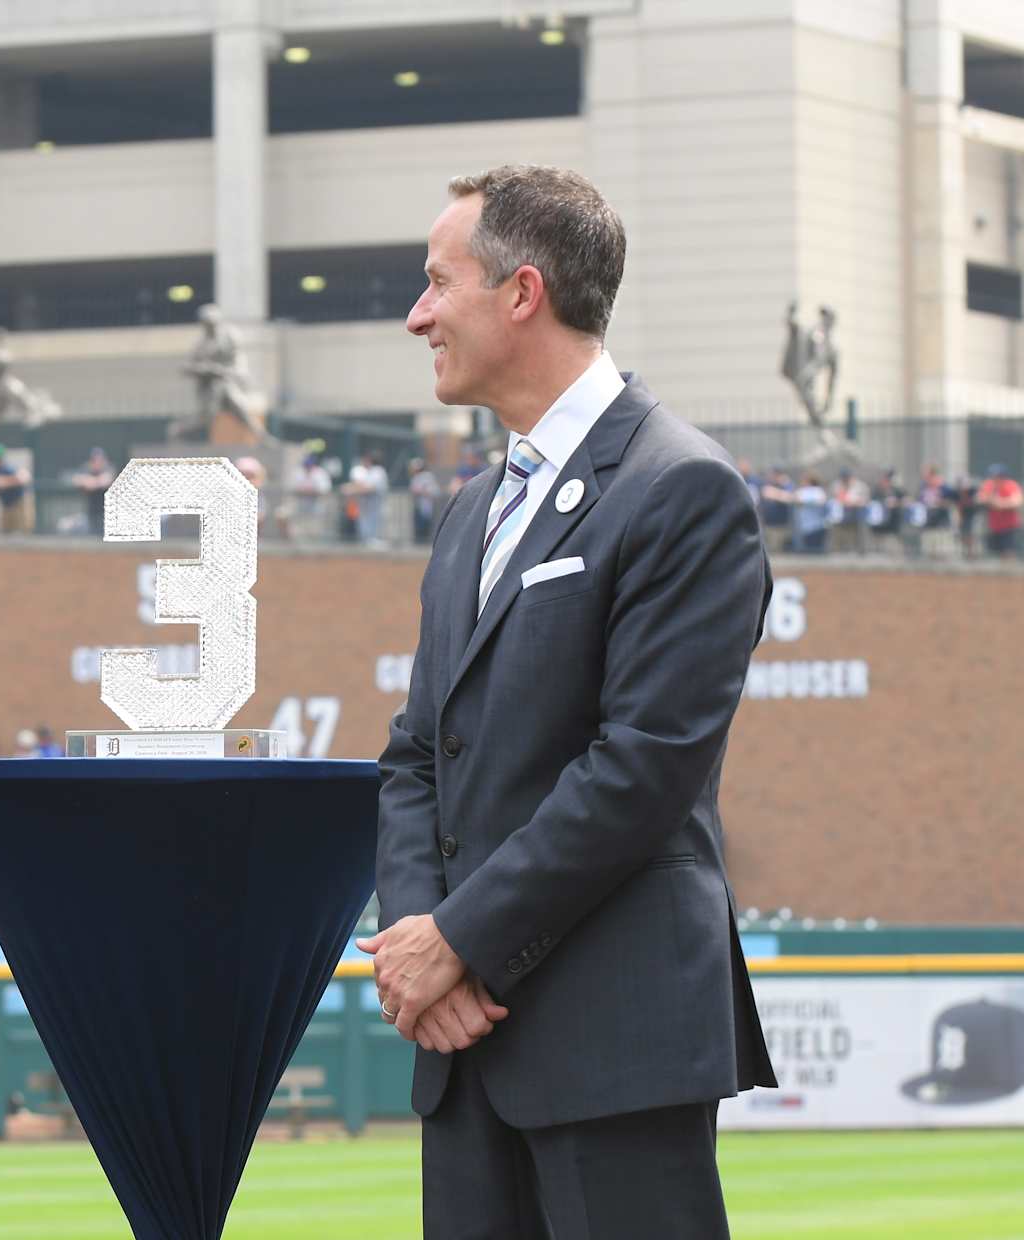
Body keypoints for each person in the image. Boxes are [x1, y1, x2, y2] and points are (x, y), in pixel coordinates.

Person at [357, 164, 774, 1239]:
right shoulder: (467, 515)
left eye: (438, 282)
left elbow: (642, 768)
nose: (419, 316)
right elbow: (415, 757)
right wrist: (419, 948)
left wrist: (459, 939)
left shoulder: (682, 487)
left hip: (614, 1046)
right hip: (463, 1047)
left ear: (522, 293)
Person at [976, 463, 1022, 557]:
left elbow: (1017, 501)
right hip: (993, 526)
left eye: (998, 476)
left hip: (1009, 526)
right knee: (993, 553)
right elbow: (980, 498)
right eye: (993, 476)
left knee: (1008, 552)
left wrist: (1001, 503)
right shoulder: (988, 485)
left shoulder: (1011, 485)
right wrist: (991, 501)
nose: (995, 479)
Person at [72, 447, 115, 535]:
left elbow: (106, 480)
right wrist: (90, 482)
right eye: (95, 460)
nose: (97, 462)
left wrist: (92, 482)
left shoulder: (108, 468)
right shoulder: (86, 469)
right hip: (90, 512)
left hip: (107, 513)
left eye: (100, 460)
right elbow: (76, 479)